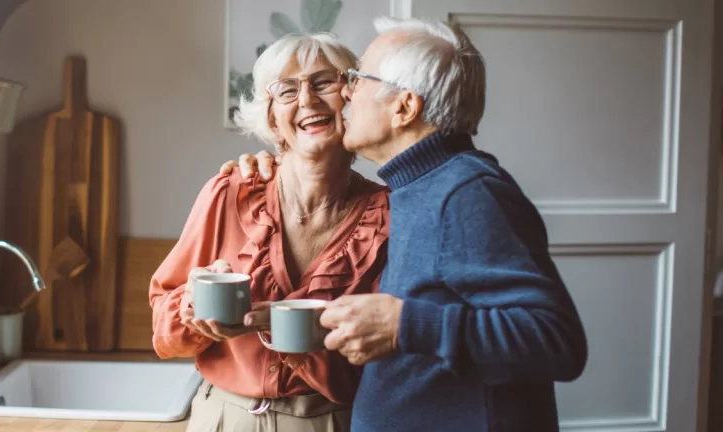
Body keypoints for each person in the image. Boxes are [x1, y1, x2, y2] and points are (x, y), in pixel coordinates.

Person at [221, 16, 588, 432]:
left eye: (357, 78)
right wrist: (331, 321)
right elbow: (434, 309)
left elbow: (556, 341)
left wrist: (404, 326)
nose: (345, 91)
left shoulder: (467, 194)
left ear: (404, 107)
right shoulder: (418, 187)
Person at [149, 32, 390, 432]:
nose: (308, 100)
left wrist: (281, 324)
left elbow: (389, 353)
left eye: (324, 82)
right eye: (287, 91)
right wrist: (188, 309)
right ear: (273, 119)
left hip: (332, 421)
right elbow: (162, 330)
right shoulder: (228, 192)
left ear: (351, 99)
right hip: (224, 418)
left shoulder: (388, 215)